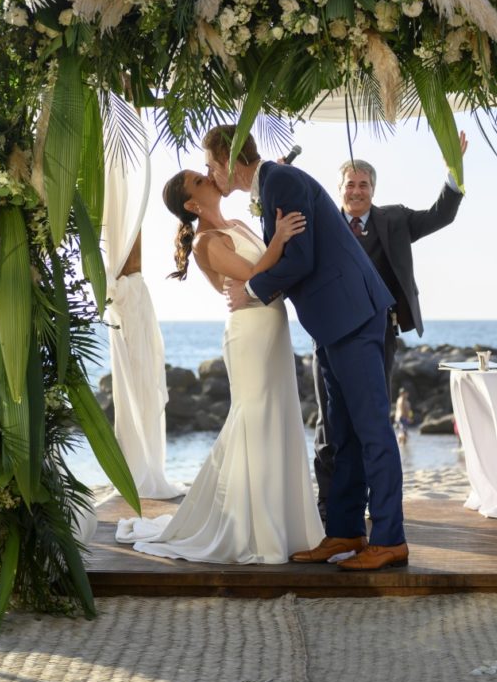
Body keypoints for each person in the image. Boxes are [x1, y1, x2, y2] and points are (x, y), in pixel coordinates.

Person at [204, 125, 407, 572]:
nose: (208, 172)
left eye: (208, 164)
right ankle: (345, 530)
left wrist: (251, 290)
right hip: (332, 322)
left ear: (226, 159)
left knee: (372, 428)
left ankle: (390, 538)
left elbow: (302, 259)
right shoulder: (274, 184)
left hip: (353, 314)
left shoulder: (282, 180)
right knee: (343, 432)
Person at [116, 169, 324, 564]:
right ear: (192, 204)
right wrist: (279, 238)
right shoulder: (204, 242)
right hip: (248, 333)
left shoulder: (241, 223)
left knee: (278, 416)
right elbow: (252, 274)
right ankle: (255, 528)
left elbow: (266, 277)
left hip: (273, 324)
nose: (210, 178)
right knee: (254, 418)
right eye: (200, 180)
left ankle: (284, 523)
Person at [313, 134, 467, 520]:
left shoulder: (394, 220)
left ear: (373, 189)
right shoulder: (321, 223)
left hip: (378, 338)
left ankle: (363, 505)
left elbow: (441, 215)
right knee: (329, 423)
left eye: (363, 184)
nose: (356, 191)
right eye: (350, 184)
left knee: (370, 422)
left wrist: (454, 171)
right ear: (339, 189)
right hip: (328, 338)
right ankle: (329, 506)